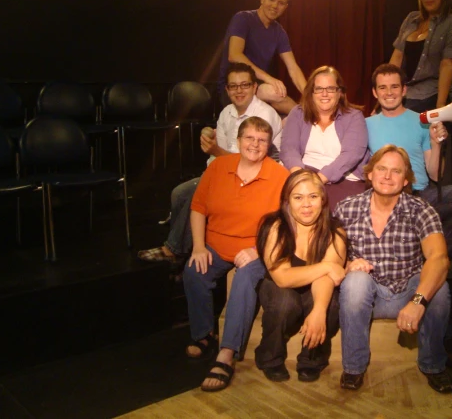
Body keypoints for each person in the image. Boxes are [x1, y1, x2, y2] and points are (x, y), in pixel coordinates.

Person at [366, 64, 452, 368]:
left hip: (423, 195)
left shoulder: (420, 121)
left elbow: (435, 173)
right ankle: (446, 337)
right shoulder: (366, 124)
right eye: (382, 88)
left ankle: (434, 254)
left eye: (394, 86)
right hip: (390, 199)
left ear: (404, 89)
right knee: (439, 272)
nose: (389, 93)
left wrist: (436, 144)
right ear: (374, 92)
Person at [334, 145, 452, 393]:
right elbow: (330, 259)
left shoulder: (421, 210)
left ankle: (433, 365)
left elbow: (439, 258)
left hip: (408, 294)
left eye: (396, 171)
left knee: (439, 287)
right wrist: (347, 265)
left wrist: (418, 301)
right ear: (369, 173)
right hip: (366, 296)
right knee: (355, 280)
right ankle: (353, 368)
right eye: (381, 169)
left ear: (406, 179)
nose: (387, 176)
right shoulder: (346, 208)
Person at [182, 117, 289, 392]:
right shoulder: (219, 166)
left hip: (257, 250)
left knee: (244, 279)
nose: (255, 144)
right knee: (194, 271)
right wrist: (198, 246)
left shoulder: (279, 175)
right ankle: (203, 334)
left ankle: (226, 353)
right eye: (249, 138)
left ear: (268, 145)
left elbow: (286, 224)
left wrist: (258, 251)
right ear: (239, 141)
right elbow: (198, 208)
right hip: (216, 245)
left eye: (262, 140)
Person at [137, 63, 282, 263]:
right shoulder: (226, 113)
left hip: (252, 176)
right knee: (179, 193)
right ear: (227, 89)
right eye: (233, 86)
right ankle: (185, 250)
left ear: (254, 87)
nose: (239, 91)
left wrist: (215, 152)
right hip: (225, 170)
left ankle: (174, 250)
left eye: (244, 85)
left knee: (196, 196)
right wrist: (212, 161)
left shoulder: (264, 115)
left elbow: (250, 158)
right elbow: (221, 157)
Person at [254, 170, 347, 383]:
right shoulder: (275, 226)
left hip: (315, 289)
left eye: (313, 197)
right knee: (285, 301)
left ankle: (311, 360)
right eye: (298, 197)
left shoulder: (335, 230)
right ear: (287, 201)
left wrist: (319, 311)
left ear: (323, 200)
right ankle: (269, 356)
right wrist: (326, 266)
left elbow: (328, 278)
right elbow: (282, 278)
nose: (306, 204)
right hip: (279, 288)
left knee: (331, 304)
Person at [280, 66, 370, 208]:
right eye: (319, 89)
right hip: (303, 172)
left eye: (330, 89)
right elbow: (288, 148)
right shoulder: (297, 113)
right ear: (312, 92)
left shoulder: (354, 117)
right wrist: (300, 177)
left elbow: (351, 155)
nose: (324, 94)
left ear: (339, 92)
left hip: (343, 178)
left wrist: (318, 180)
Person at [217, 0, 307, 114]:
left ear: (285, 7)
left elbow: (293, 68)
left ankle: (308, 117)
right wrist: (269, 78)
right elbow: (234, 55)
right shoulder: (243, 18)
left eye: (281, 3)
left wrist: (310, 94)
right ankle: (306, 117)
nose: (275, 5)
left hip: (259, 89)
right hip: (235, 88)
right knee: (274, 91)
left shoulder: (279, 31)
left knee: (277, 96)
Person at [389, 0, 452, 113]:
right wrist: (387, 91)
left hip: (432, 92)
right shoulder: (411, 19)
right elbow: (397, 56)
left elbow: (447, 65)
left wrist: (440, 108)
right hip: (407, 90)